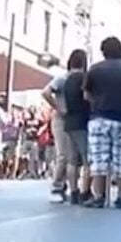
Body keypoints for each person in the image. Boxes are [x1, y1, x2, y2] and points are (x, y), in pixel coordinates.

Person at [83, 37, 121, 208]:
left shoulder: (94, 69)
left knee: (99, 159)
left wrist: (98, 102)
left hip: (99, 118)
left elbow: (86, 95)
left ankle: (99, 196)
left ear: (103, 51)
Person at [62, 49, 93, 204]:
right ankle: (84, 192)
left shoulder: (67, 80)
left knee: (72, 161)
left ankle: (73, 191)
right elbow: (87, 98)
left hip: (69, 121)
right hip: (82, 121)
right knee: (88, 160)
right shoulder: (84, 78)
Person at [42, 56, 73, 198]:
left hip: (72, 118)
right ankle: (56, 185)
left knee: (70, 155)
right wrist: (58, 107)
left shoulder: (76, 79)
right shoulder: (63, 78)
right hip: (61, 118)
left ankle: (63, 184)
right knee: (63, 155)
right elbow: (46, 92)